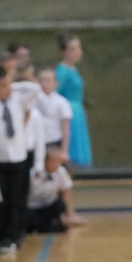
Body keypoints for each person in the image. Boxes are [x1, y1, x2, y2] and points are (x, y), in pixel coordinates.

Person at [0, 64, 32, 254]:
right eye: (2, 86)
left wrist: (11, 82)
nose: (7, 89)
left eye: (8, 84)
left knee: (16, 200)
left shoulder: (16, 99)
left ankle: (14, 237)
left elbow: (35, 89)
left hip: (18, 156)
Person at [56, 33, 93, 167]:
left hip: (77, 113)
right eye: (72, 49)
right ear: (63, 52)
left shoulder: (73, 69)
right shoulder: (62, 70)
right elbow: (55, 92)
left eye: (78, 48)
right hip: (69, 114)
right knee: (69, 154)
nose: (77, 52)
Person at [27, 149, 75, 233]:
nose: (56, 164)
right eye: (53, 161)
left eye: (58, 162)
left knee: (60, 205)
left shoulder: (61, 171)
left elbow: (65, 194)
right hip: (32, 207)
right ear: (45, 161)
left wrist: (69, 215)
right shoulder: (33, 173)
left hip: (49, 206)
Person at [35, 67, 73, 157]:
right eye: (41, 80)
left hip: (53, 142)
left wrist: (64, 151)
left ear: (55, 83)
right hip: (35, 142)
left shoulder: (62, 102)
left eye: (48, 80)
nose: (44, 84)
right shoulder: (32, 100)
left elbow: (65, 129)